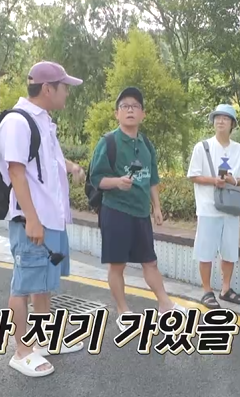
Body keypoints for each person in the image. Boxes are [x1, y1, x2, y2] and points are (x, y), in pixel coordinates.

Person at [0, 61, 87, 377]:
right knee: (24, 284)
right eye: (64, 88)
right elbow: (15, 171)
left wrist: (73, 168)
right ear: (48, 89)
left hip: (51, 219)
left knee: (42, 283)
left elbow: (51, 161)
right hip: (32, 220)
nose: (67, 94)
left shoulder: (43, 121)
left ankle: (43, 339)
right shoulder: (18, 122)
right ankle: (21, 351)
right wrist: (32, 218)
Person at [88, 86, 185, 331]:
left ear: (143, 114)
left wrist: (157, 207)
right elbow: (96, 179)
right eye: (125, 106)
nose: (130, 110)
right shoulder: (108, 142)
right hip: (115, 212)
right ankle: (124, 312)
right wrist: (117, 183)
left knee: (150, 262)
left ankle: (165, 304)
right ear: (116, 114)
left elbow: (152, 179)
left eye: (135, 106)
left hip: (141, 214)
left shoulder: (146, 144)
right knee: (117, 265)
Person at [186, 104, 240, 309]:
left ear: (232, 124)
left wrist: (233, 180)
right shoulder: (202, 147)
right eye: (217, 118)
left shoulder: (239, 150)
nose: (220, 121)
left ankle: (225, 289)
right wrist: (214, 181)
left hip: (231, 209)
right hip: (208, 208)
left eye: (225, 118)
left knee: (230, 251)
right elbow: (193, 175)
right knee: (205, 251)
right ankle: (207, 291)